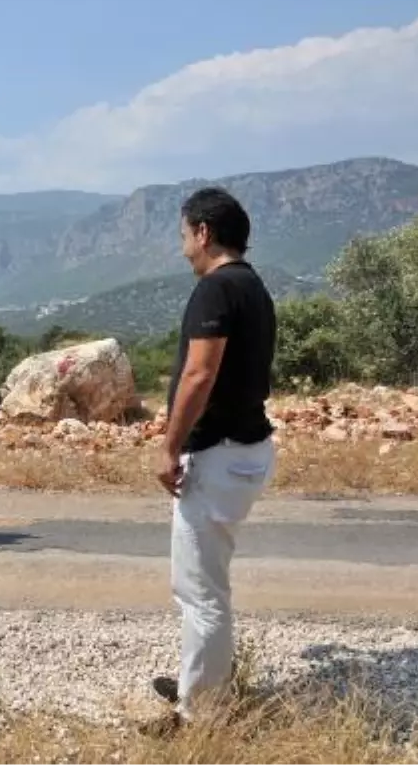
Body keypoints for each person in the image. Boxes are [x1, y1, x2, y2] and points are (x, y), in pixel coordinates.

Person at [140, 186, 277, 738]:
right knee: (204, 586)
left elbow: (200, 373)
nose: (182, 249)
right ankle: (201, 680)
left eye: (183, 236)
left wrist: (169, 446)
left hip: (218, 455)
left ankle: (200, 716)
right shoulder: (253, 287)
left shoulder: (215, 290)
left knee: (200, 593)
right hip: (246, 449)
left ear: (203, 232)